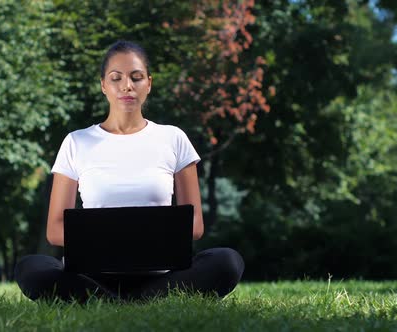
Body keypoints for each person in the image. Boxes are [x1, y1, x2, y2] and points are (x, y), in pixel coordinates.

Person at [15, 41, 244, 302]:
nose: (127, 86)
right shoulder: (76, 142)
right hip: (91, 276)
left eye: (136, 77)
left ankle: (111, 301)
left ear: (149, 83)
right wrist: (114, 235)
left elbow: (195, 225)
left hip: (161, 274)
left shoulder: (173, 138)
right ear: (103, 85)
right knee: (31, 268)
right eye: (116, 78)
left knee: (227, 261)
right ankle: (136, 300)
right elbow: (55, 230)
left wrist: (140, 234)